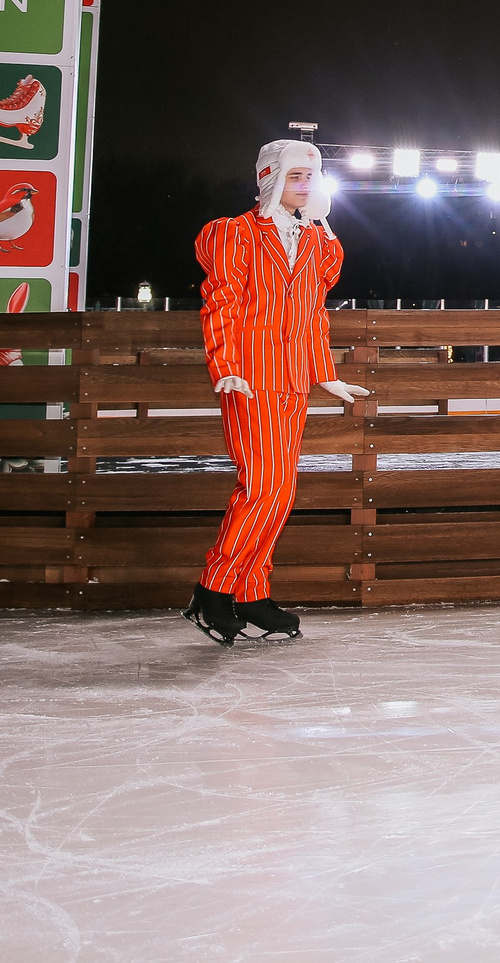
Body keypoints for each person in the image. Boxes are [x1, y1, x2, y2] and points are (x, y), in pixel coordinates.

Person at [182, 139, 369, 647]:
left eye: (311, 178)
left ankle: (250, 591)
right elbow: (221, 304)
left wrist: (323, 372)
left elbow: (313, 312)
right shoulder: (234, 234)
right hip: (249, 378)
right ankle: (213, 590)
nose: (305, 186)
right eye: (295, 177)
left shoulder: (315, 241)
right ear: (269, 178)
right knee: (263, 488)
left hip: (292, 382)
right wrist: (225, 366)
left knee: (280, 491)